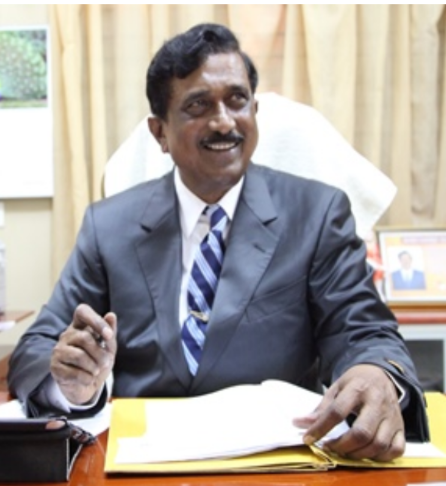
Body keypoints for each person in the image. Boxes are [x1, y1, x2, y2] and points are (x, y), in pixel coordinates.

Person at [8, 23, 428, 462]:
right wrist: (71, 384)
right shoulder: (109, 225)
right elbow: (39, 347)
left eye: (237, 100)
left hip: (280, 462)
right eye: (198, 105)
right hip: (141, 462)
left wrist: (375, 371)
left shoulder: (317, 214)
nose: (224, 121)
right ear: (160, 133)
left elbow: (364, 331)